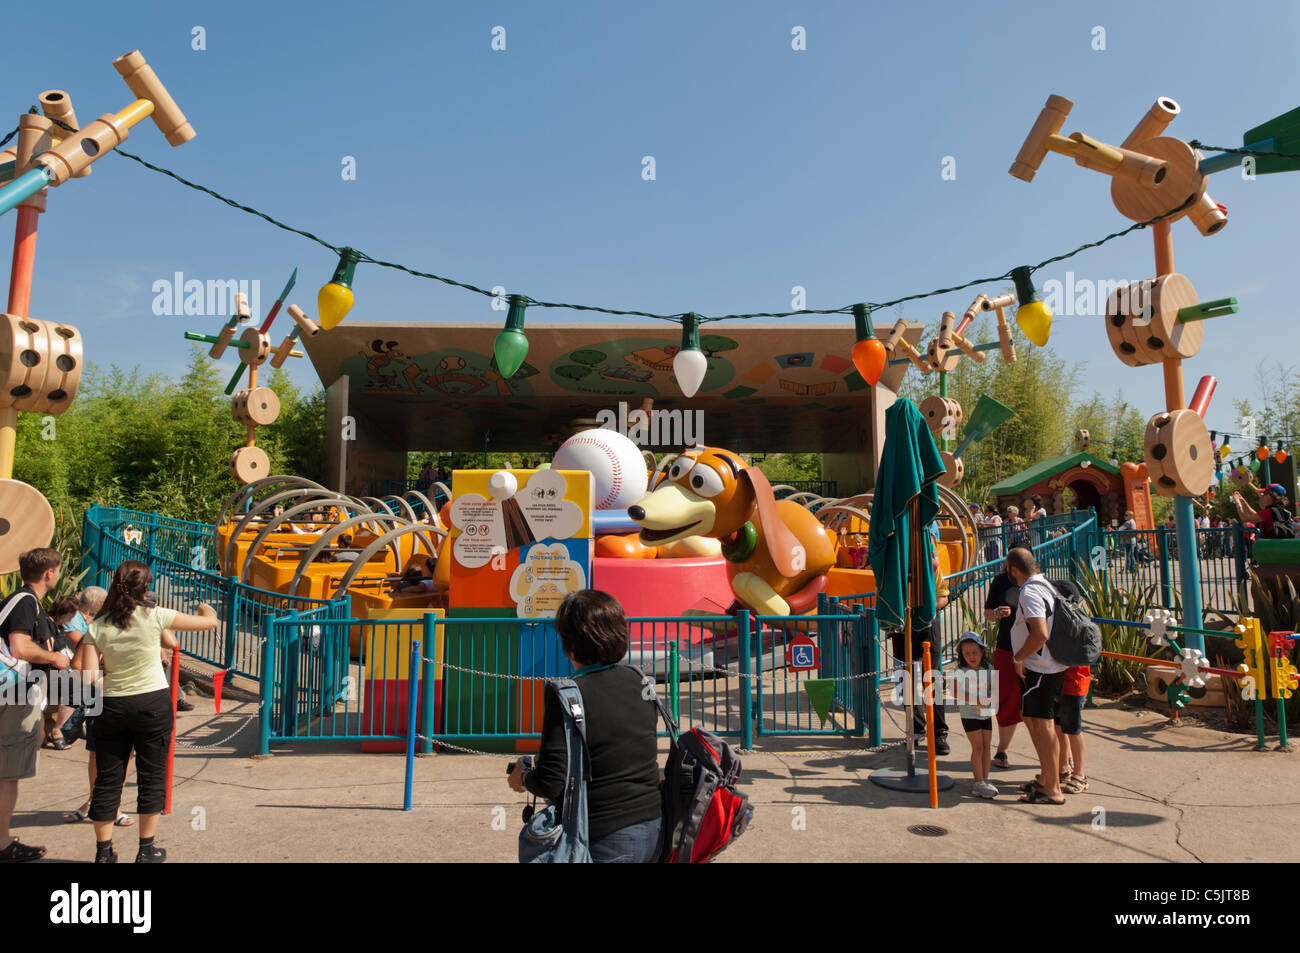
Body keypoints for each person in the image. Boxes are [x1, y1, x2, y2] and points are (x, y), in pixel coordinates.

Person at [77, 560, 219, 863]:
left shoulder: (97, 626)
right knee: (151, 775)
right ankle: (146, 849)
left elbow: (88, 677)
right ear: (147, 588)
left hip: (112, 704)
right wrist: (206, 608)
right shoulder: (155, 616)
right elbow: (209, 623)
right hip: (152, 703)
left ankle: (104, 853)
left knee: (106, 779)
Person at [506, 590, 661, 862]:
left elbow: (550, 781)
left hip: (604, 834)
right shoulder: (639, 679)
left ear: (570, 642)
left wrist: (523, 778)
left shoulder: (566, 693)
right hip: (654, 827)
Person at [0, 548, 68, 862]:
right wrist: (54, 657)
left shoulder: (17, 600)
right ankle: (2, 844)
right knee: (7, 773)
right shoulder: (27, 602)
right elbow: (19, 646)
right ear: (49, 574)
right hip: (14, 695)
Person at [1006, 547, 1067, 805]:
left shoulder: (1030, 591)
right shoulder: (1046, 585)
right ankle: (1047, 777)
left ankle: (1052, 788)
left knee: (1042, 727)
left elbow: (1040, 633)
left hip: (1041, 667)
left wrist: (1019, 657)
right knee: (1032, 719)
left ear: (1014, 571)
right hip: (1050, 666)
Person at [892, 560, 951, 754]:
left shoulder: (931, 565)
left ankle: (939, 732)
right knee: (906, 680)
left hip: (927, 628)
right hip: (902, 627)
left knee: (933, 680)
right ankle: (916, 729)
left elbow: (943, 597)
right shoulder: (893, 567)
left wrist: (926, 609)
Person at [983, 558, 1022, 769]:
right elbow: (987, 614)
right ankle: (1003, 750)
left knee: (1043, 705)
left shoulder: (1036, 583)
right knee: (1006, 699)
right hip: (1007, 647)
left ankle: (1062, 757)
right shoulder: (1000, 582)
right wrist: (997, 613)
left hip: (1035, 651)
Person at [955, 632, 997, 798]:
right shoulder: (960, 671)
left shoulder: (989, 668)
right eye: (967, 654)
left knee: (987, 746)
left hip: (986, 713)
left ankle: (985, 779)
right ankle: (978, 782)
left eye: (974, 653)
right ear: (961, 655)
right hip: (969, 714)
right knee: (978, 747)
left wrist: (990, 699)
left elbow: (994, 689)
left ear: (982, 652)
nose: (971, 657)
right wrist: (976, 699)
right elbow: (955, 691)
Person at [46, 595, 82, 750]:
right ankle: (57, 731)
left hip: (56, 668)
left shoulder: (55, 625)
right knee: (75, 687)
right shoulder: (47, 625)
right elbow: (47, 651)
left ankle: (73, 725)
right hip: (45, 670)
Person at [1055, 661, 1090, 794]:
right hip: (1059, 680)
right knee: (1058, 725)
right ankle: (1063, 768)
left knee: (1073, 729)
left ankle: (1079, 775)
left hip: (1075, 682)